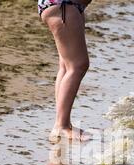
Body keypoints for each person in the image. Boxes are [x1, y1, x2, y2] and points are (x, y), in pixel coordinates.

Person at [38, 0, 93, 142]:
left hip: (67, 6)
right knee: (78, 65)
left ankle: (63, 123)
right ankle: (61, 126)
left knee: (66, 66)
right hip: (63, 6)